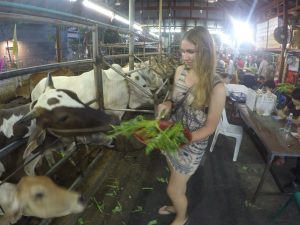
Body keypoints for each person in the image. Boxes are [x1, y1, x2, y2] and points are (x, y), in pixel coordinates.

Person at [156, 27, 225, 225]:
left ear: (204, 51)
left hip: (192, 142)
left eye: (190, 52)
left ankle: (181, 216)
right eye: (182, 51)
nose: (184, 57)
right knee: (174, 175)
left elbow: (210, 126)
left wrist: (186, 139)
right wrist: (166, 104)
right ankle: (177, 204)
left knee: (173, 188)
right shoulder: (179, 71)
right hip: (172, 133)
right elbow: (172, 98)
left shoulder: (216, 86)